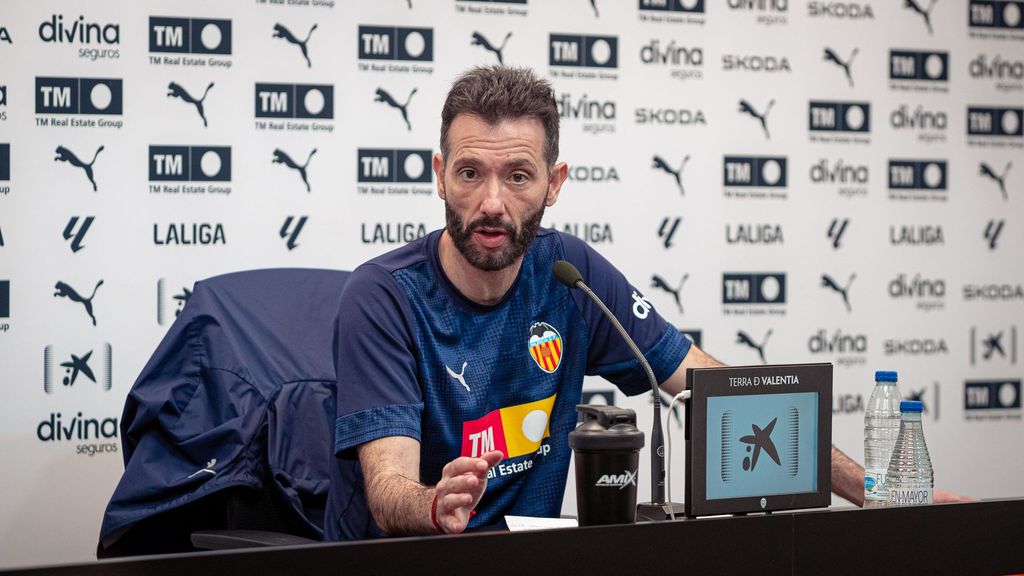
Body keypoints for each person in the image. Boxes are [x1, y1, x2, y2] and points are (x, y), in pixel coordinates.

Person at [326, 66, 967, 539]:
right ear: (439, 174)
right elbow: (387, 492)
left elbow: (718, 391)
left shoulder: (570, 278)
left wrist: (880, 495)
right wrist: (437, 503)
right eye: (470, 173)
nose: (492, 201)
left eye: (518, 175)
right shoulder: (383, 296)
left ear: (554, 184)